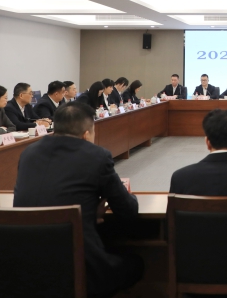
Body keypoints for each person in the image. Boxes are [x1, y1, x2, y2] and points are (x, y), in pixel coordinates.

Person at [14, 101, 143, 298]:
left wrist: (88, 210)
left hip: (25, 267)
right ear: (86, 135)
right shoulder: (97, 156)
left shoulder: (28, 153)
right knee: (136, 263)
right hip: (79, 269)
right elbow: (128, 211)